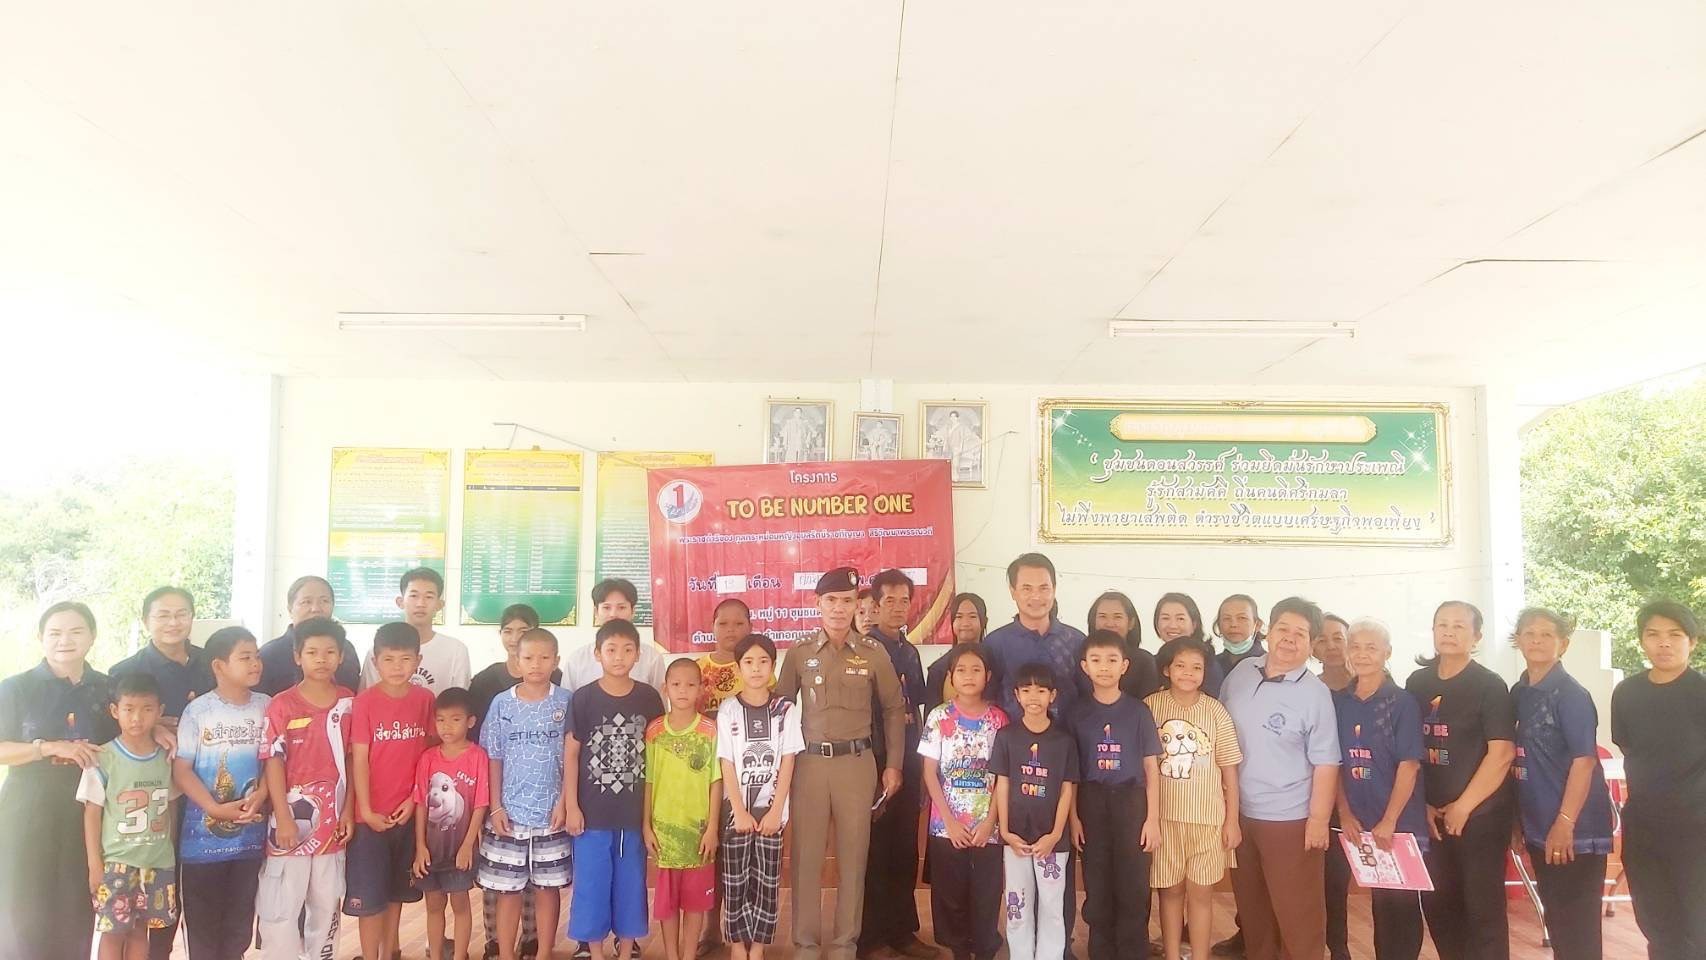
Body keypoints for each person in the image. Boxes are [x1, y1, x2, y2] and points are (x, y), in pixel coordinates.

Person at [775, 566, 906, 960]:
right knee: (806, 860)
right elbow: (781, 711)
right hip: (810, 767)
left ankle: (844, 945)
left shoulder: (873, 653)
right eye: (831, 600)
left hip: (857, 765)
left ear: (857, 606)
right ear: (817, 603)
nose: (838, 608)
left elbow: (893, 708)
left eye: (846, 601)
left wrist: (893, 764)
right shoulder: (799, 653)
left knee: (853, 860)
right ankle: (806, 944)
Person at [1220, 597, 1340, 960]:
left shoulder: (1315, 694)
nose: (1289, 638)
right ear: (1268, 631)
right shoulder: (1242, 672)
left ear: (1312, 644)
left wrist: (1317, 820)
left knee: (1297, 915)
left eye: (1300, 633)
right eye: (1283, 629)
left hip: (1290, 819)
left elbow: (1326, 762)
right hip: (1240, 814)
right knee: (1253, 910)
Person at [0, 601, 120, 960]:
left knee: (76, 912)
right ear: (41, 638)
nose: (65, 640)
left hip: (87, 817)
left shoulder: (108, 689)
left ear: (92, 636)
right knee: (23, 913)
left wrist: (156, 729)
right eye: (54, 633)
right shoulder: (16, 688)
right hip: (27, 815)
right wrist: (48, 747)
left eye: (76, 631)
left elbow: (127, 736)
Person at [1405, 600, 1515, 960]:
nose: (1449, 632)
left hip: (1480, 817)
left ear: (1476, 636)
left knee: (1482, 910)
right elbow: (1409, 750)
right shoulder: (1417, 683)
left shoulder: (1489, 686)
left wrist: (1463, 807)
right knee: (1438, 905)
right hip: (1431, 818)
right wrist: (1421, 804)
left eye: (1459, 626)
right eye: (1442, 625)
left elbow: (1501, 754)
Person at [1511, 608, 1612, 960]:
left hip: (1574, 831)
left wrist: (1565, 823)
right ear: (1518, 640)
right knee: (1558, 922)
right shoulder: (1519, 691)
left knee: (1578, 928)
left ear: (1563, 644)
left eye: (1547, 635)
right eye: (1529, 633)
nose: (1537, 640)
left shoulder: (1571, 694)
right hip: (1538, 826)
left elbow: (1584, 761)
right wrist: (1518, 822)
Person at [565, 619, 666, 959]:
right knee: (591, 887)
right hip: (591, 815)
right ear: (597, 654)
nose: (619, 657)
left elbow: (658, 755)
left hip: (633, 815)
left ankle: (625, 951)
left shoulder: (648, 698)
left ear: (638, 655)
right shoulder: (583, 698)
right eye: (611, 649)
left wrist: (652, 814)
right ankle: (594, 952)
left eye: (627, 650)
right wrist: (571, 806)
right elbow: (571, 754)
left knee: (631, 886)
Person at [256, 616, 356, 960]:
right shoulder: (281, 704)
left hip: (333, 825)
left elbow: (353, 760)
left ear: (341, 657)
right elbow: (273, 761)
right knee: (281, 905)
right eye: (312, 652)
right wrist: (284, 817)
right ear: (297, 656)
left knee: (326, 904)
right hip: (288, 825)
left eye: (329, 652)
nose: (321, 659)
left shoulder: (348, 702)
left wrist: (348, 811)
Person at [1611, 600, 1706, 960]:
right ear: (1642, 640)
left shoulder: (1701, 692)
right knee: (1657, 926)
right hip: (1644, 829)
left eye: (1675, 635)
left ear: (1692, 641)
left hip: (1697, 830)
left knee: (1700, 927)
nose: (1663, 643)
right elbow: (1629, 746)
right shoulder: (1627, 693)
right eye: (1653, 634)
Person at [175, 626, 271, 960]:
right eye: (245, 657)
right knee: (203, 927)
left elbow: (274, 762)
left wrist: (263, 793)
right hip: (202, 844)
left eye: (256, 656)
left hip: (250, 838)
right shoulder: (198, 711)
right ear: (219, 666)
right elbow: (182, 770)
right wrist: (214, 809)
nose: (255, 663)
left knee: (239, 924)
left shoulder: (267, 706)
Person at [1333, 619, 1427, 960]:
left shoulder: (1401, 702)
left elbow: (1409, 765)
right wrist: (1345, 814)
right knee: (1380, 905)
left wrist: (1390, 820)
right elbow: (1335, 765)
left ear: (1387, 653)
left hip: (1397, 825)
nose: (1362, 654)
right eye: (1355, 647)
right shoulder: (1341, 703)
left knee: (1401, 906)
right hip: (1358, 825)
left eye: (1371, 648)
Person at [1145, 638, 1243, 960]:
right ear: (1167, 669)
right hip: (1164, 820)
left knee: (1201, 894)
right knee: (1170, 893)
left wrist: (1232, 821)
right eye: (1181, 666)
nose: (1188, 673)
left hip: (1208, 820)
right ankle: (1172, 954)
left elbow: (1229, 771)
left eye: (1196, 667)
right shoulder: (1150, 707)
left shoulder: (1216, 711)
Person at [469, 603, 557, 960]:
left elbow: (569, 757)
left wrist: (565, 803)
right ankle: (502, 950)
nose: (536, 664)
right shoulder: (499, 702)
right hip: (507, 813)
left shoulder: (565, 701)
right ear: (517, 661)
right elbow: (493, 755)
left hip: (551, 814)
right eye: (528, 658)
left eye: (544, 657)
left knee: (546, 888)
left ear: (555, 660)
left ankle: (542, 950)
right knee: (505, 889)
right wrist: (495, 806)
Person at [1069, 630, 1161, 960]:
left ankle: (1133, 952)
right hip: (1091, 803)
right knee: (1097, 884)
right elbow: (1070, 774)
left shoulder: (1138, 712)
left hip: (1131, 804)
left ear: (1124, 665)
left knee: (1134, 885)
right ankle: (1102, 952)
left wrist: (1152, 819)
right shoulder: (1076, 713)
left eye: (1112, 660)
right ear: (1085, 666)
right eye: (1096, 660)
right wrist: (1074, 818)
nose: (1104, 667)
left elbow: (1151, 768)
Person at [348, 622, 438, 959]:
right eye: (388, 659)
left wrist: (414, 800)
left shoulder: (425, 700)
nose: (397, 667)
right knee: (370, 899)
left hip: (408, 814)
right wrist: (366, 810)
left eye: (405, 659)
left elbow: (429, 756)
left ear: (418, 660)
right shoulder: (364, 702)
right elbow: (359, 759)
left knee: (396, 894)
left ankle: (389, 953)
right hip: (369, 819)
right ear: (375, 661)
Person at [860, 568, 934, 960]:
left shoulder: (910, 651)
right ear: (874, 606)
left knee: (905, 849)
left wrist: (918, 764)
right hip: (873, 761)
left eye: (904, 600)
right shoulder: (863, 650)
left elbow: (914, 710)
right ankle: (870, 938)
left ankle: (903, 932)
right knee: (875, 850)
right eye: (889, 600)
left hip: (907, 759)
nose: (898, 607)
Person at [78, 672, 179, 960]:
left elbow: (171, 806)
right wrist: (95, 864)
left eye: (147, 709)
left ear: (159, 711)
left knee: (140, 931)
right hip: (117, 864)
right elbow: (92, 813)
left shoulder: (167, 756)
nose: (137, 718)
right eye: (129, 709)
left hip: (157, 862)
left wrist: (169, 850)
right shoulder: (103, 757)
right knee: (113, 933)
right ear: (115, 711)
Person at [717, 634, 804, 960]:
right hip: (736, 814)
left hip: (771, 814)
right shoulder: (728, 710)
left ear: (773, 666)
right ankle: (737, 946)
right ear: (738, 667)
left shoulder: (785, 709)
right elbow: (726, 762)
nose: (756, 668)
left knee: (767, 882)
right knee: (735, 880)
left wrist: (776, 810)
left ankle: (758, 947)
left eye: (763, 661)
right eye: (749, 662)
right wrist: (739, 811)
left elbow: (789, 759)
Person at [918, 644, 1006, 960]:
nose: (969, 676)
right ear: (951, 677)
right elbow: (930, 773)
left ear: (988, 676)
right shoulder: (939, 716)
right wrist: (950, 821)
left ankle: (984, 949)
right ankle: (957, 950)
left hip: (988, 827)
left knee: (986, 893)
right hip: (947, 826)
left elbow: (1003, 777)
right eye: (961, 670)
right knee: (950, 894)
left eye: (976, 669)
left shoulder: (999, 720)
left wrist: (990, 821)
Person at [991, 662, 1079, 960]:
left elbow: (1067, 790)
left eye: (1041, 691)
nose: (1033, 697)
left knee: (1052, 907)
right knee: (1017, 905)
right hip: (1015, 837)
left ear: (1052, 696)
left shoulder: (1064, 741)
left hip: (1053, 840)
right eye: (1026, 690)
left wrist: (1055, 834)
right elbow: (1002, 784)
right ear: (1016, 695)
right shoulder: (1006, 737)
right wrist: (1005, 831)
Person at [645, 659, 724, 960]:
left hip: (699, 833)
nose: (682, 690)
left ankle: (689, 954)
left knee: (695, 903)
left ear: (701, 689)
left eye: (690, 684)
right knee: (667, 903)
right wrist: (646, 826)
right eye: (676, 684)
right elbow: (649, 781)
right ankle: (672, 955)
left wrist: (712, 828)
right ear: (665, 688)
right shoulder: (655, 731)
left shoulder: (710, 730)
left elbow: (716, 781)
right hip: (664, 832)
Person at [413, 687, 490, 960]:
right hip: (430, 851)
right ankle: (435, 955)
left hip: (460, 850)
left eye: (455, 719)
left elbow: (480, 804)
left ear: (470, 721)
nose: (447, 726)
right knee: (434, 905)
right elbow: (420, 804)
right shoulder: (428, 758)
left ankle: (459, 955)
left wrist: (468, 845)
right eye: (441, 720)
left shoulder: (478, 756)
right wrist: (420, 846)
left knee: (460, 904)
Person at [984, 554, 1088, 723]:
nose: (1036, 596)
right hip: (1012, 736)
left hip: (1067, 736)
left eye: (1043, 588)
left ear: (1054, 589)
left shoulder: (1076, 641)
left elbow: (1088, 696)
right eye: (1027, 589)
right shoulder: (995, 644)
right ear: (1013, 592)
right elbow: (987, 701)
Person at [1314, 612, 1354, 960]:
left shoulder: (1372, 685)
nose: (1330, 646)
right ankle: (1337, 948)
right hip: (1324, 801)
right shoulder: (1309, 690)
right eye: (1322, 639)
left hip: (1369, 796)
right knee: (1331, 880)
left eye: (1337, 637)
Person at [363, 568, 471, 695]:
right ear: (400, 602)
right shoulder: (378, 651)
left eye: (429, 597)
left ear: (439, 605)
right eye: (414, 596)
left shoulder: (456, 650)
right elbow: (367, 697)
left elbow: (460, 700)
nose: (421, 604)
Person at [258, 575, 360, 696]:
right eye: (306, 602)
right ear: (290, 609)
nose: (315, 609)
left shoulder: (346, 649)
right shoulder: (269, 654)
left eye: (324, 601)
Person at [562, 578, 669, 692]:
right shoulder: (577, 660)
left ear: (633, 611)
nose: (613, 614)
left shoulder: (652, 658)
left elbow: (659, 700)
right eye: (606, 607)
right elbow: (566, 701)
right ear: (596, 612)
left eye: (621, 607)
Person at [1087, 591, 1160, 699]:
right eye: (1102, 616)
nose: (1110, 624)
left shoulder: (1145, 661)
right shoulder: (1082, 656)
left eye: (1117, 617)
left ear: (1131, 623)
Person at [1155, 593, 1227, 699]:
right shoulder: (1152, 663)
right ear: (1157, 625)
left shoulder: (1208, 664)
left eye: (1180, 619)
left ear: (1194, 624)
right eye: (1165, 618)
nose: (1172, 625)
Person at [927, 593, 989, 709]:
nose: (965, 623)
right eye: (959, 617)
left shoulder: (995, 662)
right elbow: (931, 715)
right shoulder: (938, 669)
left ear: (984, 621)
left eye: (972, 616)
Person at [699, 598, 755, 718]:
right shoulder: (696, 669)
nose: (730, 629)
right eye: (723, 624)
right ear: (712, 627)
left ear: (750, 627)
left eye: (739, 624)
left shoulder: (758, 668)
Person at [1213, 594, 1267, 682]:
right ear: (1219, 625)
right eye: (1226, 618)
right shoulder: (1210, 664)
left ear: (1257, 625)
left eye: (1242, 618)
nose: (1233, 624)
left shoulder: (1268, 665)